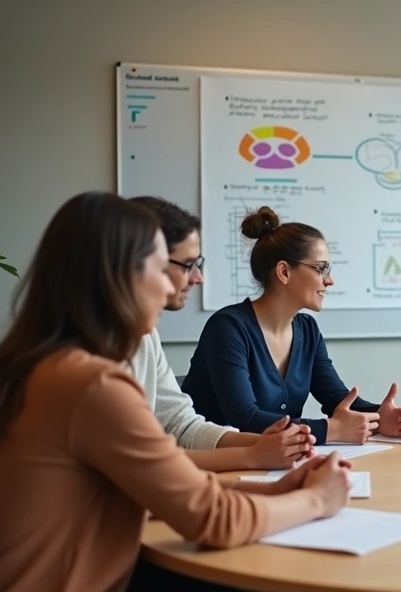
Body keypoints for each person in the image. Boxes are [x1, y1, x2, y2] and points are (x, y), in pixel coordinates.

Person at [0, 192, 354, 592]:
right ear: (119, 274)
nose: (172, 286)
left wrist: (273, 492)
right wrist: (317, 499)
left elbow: (157, 476)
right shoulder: (91, 385)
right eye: (162, 268)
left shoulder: (42, 363)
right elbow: (212, 520)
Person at [182, 206, 401, 445]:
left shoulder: (307, 329)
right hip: (217, 466)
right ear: (284, 271)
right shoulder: (227, 328)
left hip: (278, 461)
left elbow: (335, 398)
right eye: (321, 268)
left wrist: (379, 418)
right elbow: (244, 419)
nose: (329, 280)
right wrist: (330, 430)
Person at [127, 196, 313, 471]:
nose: (198, 278)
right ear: (141, 263)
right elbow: (139, 462)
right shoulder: (86, 357)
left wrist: (264, 446)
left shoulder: (145, 335)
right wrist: (254, 456)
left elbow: (180, 425)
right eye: (188, 264)